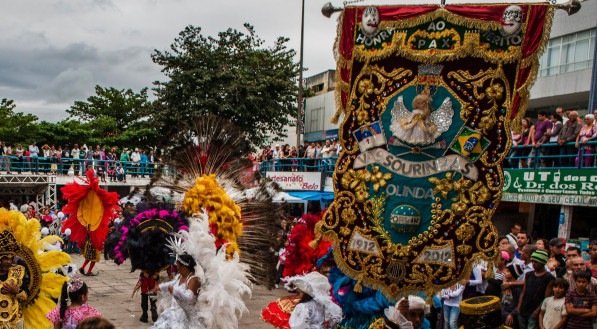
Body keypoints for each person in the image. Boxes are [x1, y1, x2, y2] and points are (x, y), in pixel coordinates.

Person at [151, 253, 201, 329]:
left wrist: (175, 291)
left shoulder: (193, 280)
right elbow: (171, 284)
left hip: (185, 316)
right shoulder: (180, 276)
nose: (177, 268)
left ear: (184, 267)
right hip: (174, 312)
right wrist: (159, 287)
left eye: (178, 266)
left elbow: (189, 297)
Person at [516, 249, 555, 329]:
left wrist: (537, 311)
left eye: (536, 262)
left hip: (535, 310)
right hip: (523, 308)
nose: (533, 264)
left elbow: (546, 297)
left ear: (542, 263)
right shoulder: (528, 274)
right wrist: (519, 307)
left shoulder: (549, 278)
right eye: (532, 261)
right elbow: (524, 292)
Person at [0, 233, 28, 329]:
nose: (9, 262)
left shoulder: (17, 273)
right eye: (5, 258)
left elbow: (25, 297)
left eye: (11, 258)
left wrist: (16, 292)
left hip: (14, 321)